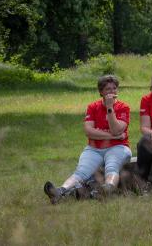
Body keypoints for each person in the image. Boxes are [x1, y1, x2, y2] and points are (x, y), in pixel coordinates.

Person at [44, 75, 132, 204]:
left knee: (112, 167)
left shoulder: (123, 107)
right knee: (81, 172)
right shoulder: (93, 107)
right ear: (101, 92)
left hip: (118, 147)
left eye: (114, 88)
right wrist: (113, 136)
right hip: (94, 148)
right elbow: (89, 131)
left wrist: (110, 108)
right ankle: (60, 191)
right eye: (108, 89)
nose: (112, 92)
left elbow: (117, 129)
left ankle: (107, 189)